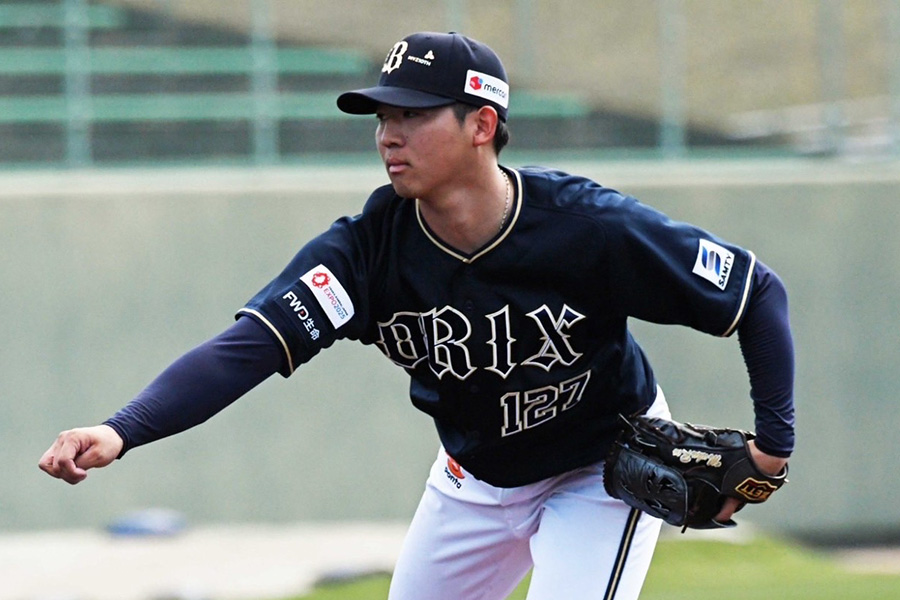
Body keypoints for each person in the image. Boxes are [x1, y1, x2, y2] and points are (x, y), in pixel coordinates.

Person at [40, 31, 794, 600]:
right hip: (473, 476)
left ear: (481, 124)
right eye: (380, 116)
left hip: (597, 468)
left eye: (414, 113)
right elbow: (250, 348)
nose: (388, 134)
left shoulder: (588, 227)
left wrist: (771, 452)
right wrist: (122, 428)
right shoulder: (365, 253)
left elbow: (758, 293)